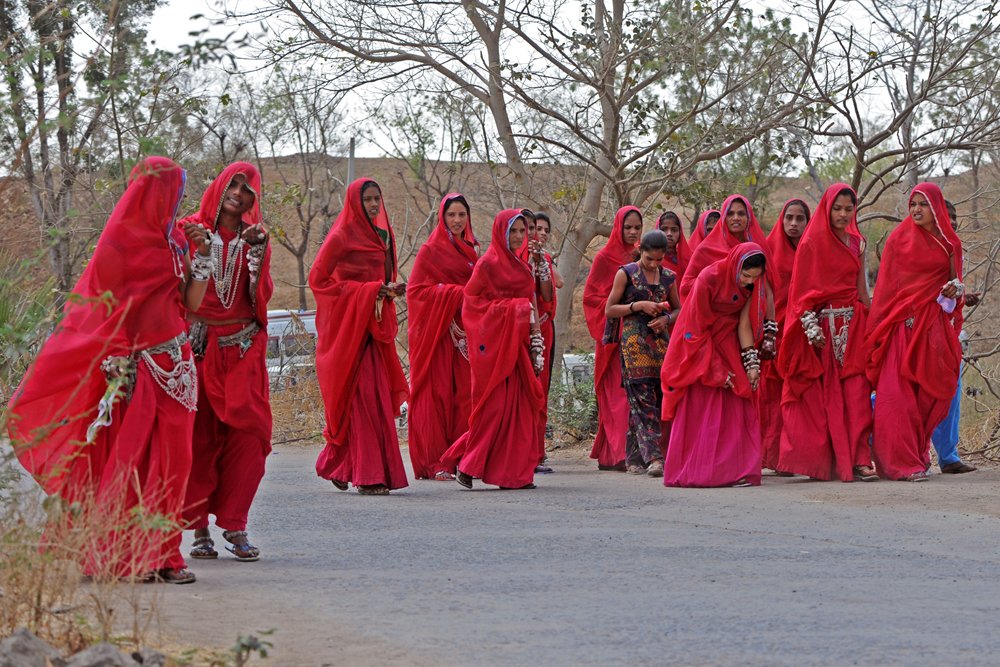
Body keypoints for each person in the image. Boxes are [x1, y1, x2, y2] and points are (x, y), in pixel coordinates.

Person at [8, 156, 209, 583]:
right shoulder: (118, 245)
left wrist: (204, 255)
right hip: (133, 371)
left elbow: (191, 304)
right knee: (129, 465)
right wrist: (118, 361)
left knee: (175, 464)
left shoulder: (176, 239)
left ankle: (162, 554)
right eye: (175, 190)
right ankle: (125, 557)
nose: (180, 199)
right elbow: (104, 309)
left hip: (179, 369)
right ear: (155, 192)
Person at [181, 162, 273, 563]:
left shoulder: (255, 238)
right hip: (200, 348)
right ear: (219, 186)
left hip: (242, 349)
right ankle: (199, 525)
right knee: (200, 438)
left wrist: (257, 252)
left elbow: (259, 297)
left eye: (246, 188)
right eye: (232, 184)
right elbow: (182, 295)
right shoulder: (190, 230)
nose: (238, 193)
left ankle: (235, 521)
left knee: (251, 436)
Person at [310, 178, 409, 495]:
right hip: (348, 331)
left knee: (375, 400)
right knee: (363, 398)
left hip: (373, 328)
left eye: (377, 199)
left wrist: (388, 291)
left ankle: (343, 464)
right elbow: (318, 280)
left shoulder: (382, 237)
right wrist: (365, 292)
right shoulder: (340, 236)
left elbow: (380, 278)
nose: (373, 205)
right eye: (367, 199)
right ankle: (367, 475)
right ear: (355, 201)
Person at [439, 209, 545, 490]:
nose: (519, 237)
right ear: (501, 232)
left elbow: (532, 299)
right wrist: (514, 310)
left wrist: (536, 337)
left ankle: (513, 474)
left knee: (520, 410)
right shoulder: (487, 264)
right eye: (513, 231)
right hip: (495, 349)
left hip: (518, 347)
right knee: (494, 409)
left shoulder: (523, 265)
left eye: (523, 231)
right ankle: (468, 463)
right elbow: (471, 304)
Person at [775, 185, 876, 482]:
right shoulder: (811, 243)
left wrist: (873, 324)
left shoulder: (858, 243)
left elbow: (862, 291)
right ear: (827, 209)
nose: (843, 215)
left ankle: (860, 458)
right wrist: (809, 326)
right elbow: (801, 294)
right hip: (822, 330)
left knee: (857, 393)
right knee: (826, 397)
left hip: (854, 326)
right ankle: (825, 461)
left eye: (849, 209)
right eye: (838, 209)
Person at [866, 182, 965, 482]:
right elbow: (885, 289)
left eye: (923, 204)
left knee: (929, 396)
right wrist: (880, 327)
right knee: (897, 397)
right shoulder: (898, 240)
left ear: (936, 208)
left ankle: (917, 455)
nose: (917, 210)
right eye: (913, 204)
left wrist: (954, 289)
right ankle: (899, 464)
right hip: (901, 327)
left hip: (932, 329)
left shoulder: (950, 244)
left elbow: (956, 284)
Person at [661, 243, 767, 488]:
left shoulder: (751, 285)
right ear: (736, 267)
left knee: (739, 400)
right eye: (746, 276)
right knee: (705, 405)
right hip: (699, 343)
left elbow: (743, 325)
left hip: (728, 342)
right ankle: (702, 472)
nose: (749, 282)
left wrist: (751, 362)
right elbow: (695, 326)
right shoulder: (709, 277)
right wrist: (715, 368)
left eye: (755, 277)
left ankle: (737, 470)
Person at [407, 193, 479, 481]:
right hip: (437, 334)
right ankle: (434, 461)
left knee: (464, 395)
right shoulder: (430, 251)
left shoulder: (472, 250)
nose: (457, 220)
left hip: (463, 335)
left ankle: (460, 458)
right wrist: (455, 294)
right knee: (435, 394)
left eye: (462, 214)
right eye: (452, 215)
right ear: (442, 217)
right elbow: (416, 292)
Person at [604, 230, 681, 477]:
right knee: (641, 397)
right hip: (633, 342)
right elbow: (610, 309)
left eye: (659, 260)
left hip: (660, 342)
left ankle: (634, 458)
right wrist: (637, 306)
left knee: (654, 399)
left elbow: (680, 309)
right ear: (641, 251)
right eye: (649, 259)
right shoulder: (625, 273)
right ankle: (655, 458)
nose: (654, 264)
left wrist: (666, 318)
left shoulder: (669, 277)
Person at [583, 206, 642, 471]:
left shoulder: (643, 256)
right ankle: (620, 454)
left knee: (631, 396)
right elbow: (591, 298)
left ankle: (611, 454)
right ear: (618, 227)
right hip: (611, 337)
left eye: (637, 228)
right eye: (627, 227)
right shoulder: (605, 258)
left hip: (637, 337)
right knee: (615, 395)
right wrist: (619, 310)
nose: (632, 232)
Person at [758, 199, 809, 473]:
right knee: (772, 398)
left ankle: (794, 455)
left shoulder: (813, 249)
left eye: (800, 219)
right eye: (789, 217)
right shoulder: (768, 249)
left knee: (797, 396)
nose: (793, 224)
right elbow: (762, 292)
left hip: (803, 332)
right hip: (774, 332)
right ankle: (773, 455)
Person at [929, 201, 978, 474]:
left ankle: (948, 455)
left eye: (955, 217)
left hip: (950, 332)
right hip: (921, 331)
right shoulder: (915, 248)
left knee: (952, 390)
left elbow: (948, 288)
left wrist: (961, 296)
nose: (954, 222)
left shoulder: (952, 249)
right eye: (947, 218)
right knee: (917, 390)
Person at [519, 211, 563, 474]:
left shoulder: (542, 259)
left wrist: (541, 260)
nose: (540, 234)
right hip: (515, 329)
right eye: (535, 228)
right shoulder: (506, 258)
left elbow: (554, 285)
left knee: (539, 391)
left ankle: (536, 452)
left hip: (542, 327)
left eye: (544, 229)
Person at [656, 211, 692, 285]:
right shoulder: (651, 259)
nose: (669, 234)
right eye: (664, 229)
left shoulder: (688, 259)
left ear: (680, 233)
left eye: (674, 230)